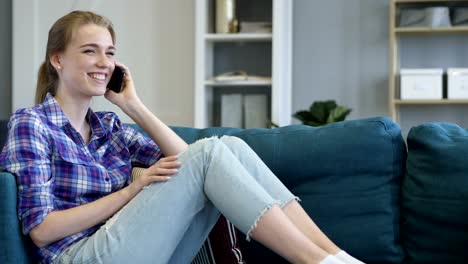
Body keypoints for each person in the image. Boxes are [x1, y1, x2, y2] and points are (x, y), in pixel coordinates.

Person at [0, 10, 365, 264]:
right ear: (57, 60)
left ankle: (333, 256)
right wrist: (131, 192)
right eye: (89, 51)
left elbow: (192, 161)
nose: (103, 62)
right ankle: (313, 260)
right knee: (211, 153)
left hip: (133, 249)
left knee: (229, 148)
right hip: (79, 256)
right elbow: (42, 230)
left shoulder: (109, 129)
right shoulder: (32, 124)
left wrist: (133, 105)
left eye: (109, 52)